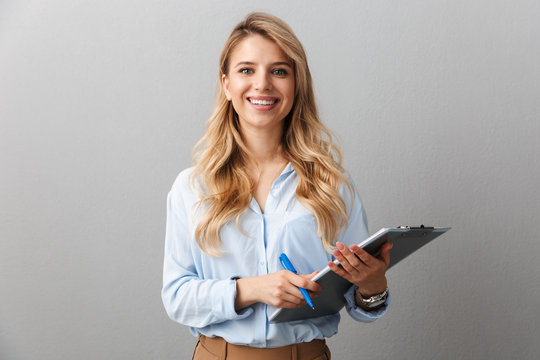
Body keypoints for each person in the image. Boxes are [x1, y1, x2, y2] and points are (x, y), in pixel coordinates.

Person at [162, 12, 393, 359]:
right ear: (226, 84)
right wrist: (250, 289)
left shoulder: (332, 186)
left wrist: (372, 287)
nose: (262, 84)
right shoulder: (191, 187)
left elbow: (358, 304)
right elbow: (177, 298)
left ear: (296, 84)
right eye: (246, 70)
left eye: (279, 71)